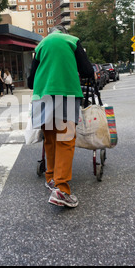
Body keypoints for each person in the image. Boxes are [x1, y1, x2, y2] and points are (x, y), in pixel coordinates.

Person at [28, 25, 94, 208]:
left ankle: (51, 178)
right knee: (65, 140)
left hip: (42, 97)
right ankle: (62, 190)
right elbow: (88, 71)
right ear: (65, 32)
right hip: (66, 94)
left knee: (49, 139)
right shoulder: (72, 41)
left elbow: (30, 81)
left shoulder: (41, 45)